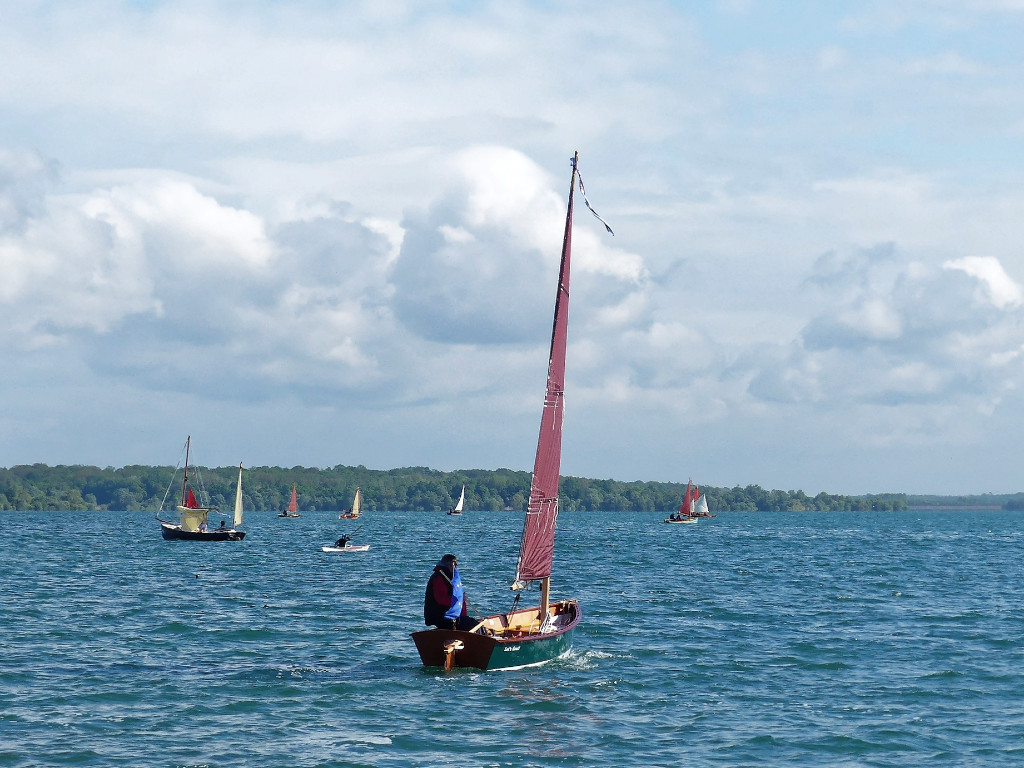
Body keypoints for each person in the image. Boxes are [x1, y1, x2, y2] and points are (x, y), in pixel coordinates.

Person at [424, 553, 475, 631]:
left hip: (449, 615)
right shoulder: (439, 578)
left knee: (472, 623)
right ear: (445, 565)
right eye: (450, 565)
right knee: (472, 625)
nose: (453, 568)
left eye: (454, 565)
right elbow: (441, 599)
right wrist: (460, 599)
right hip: (442, 616)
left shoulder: (449, 578)